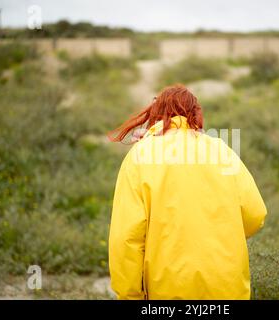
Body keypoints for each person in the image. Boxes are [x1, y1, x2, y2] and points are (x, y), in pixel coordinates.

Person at [108, 84, 267, 300]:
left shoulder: (141, 155)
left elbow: (126, 237)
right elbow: (255, 215)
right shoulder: (222, 150)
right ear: (195, 113)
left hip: (168, 289)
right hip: (227, 287)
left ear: (156, 113)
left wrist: (130, 295)